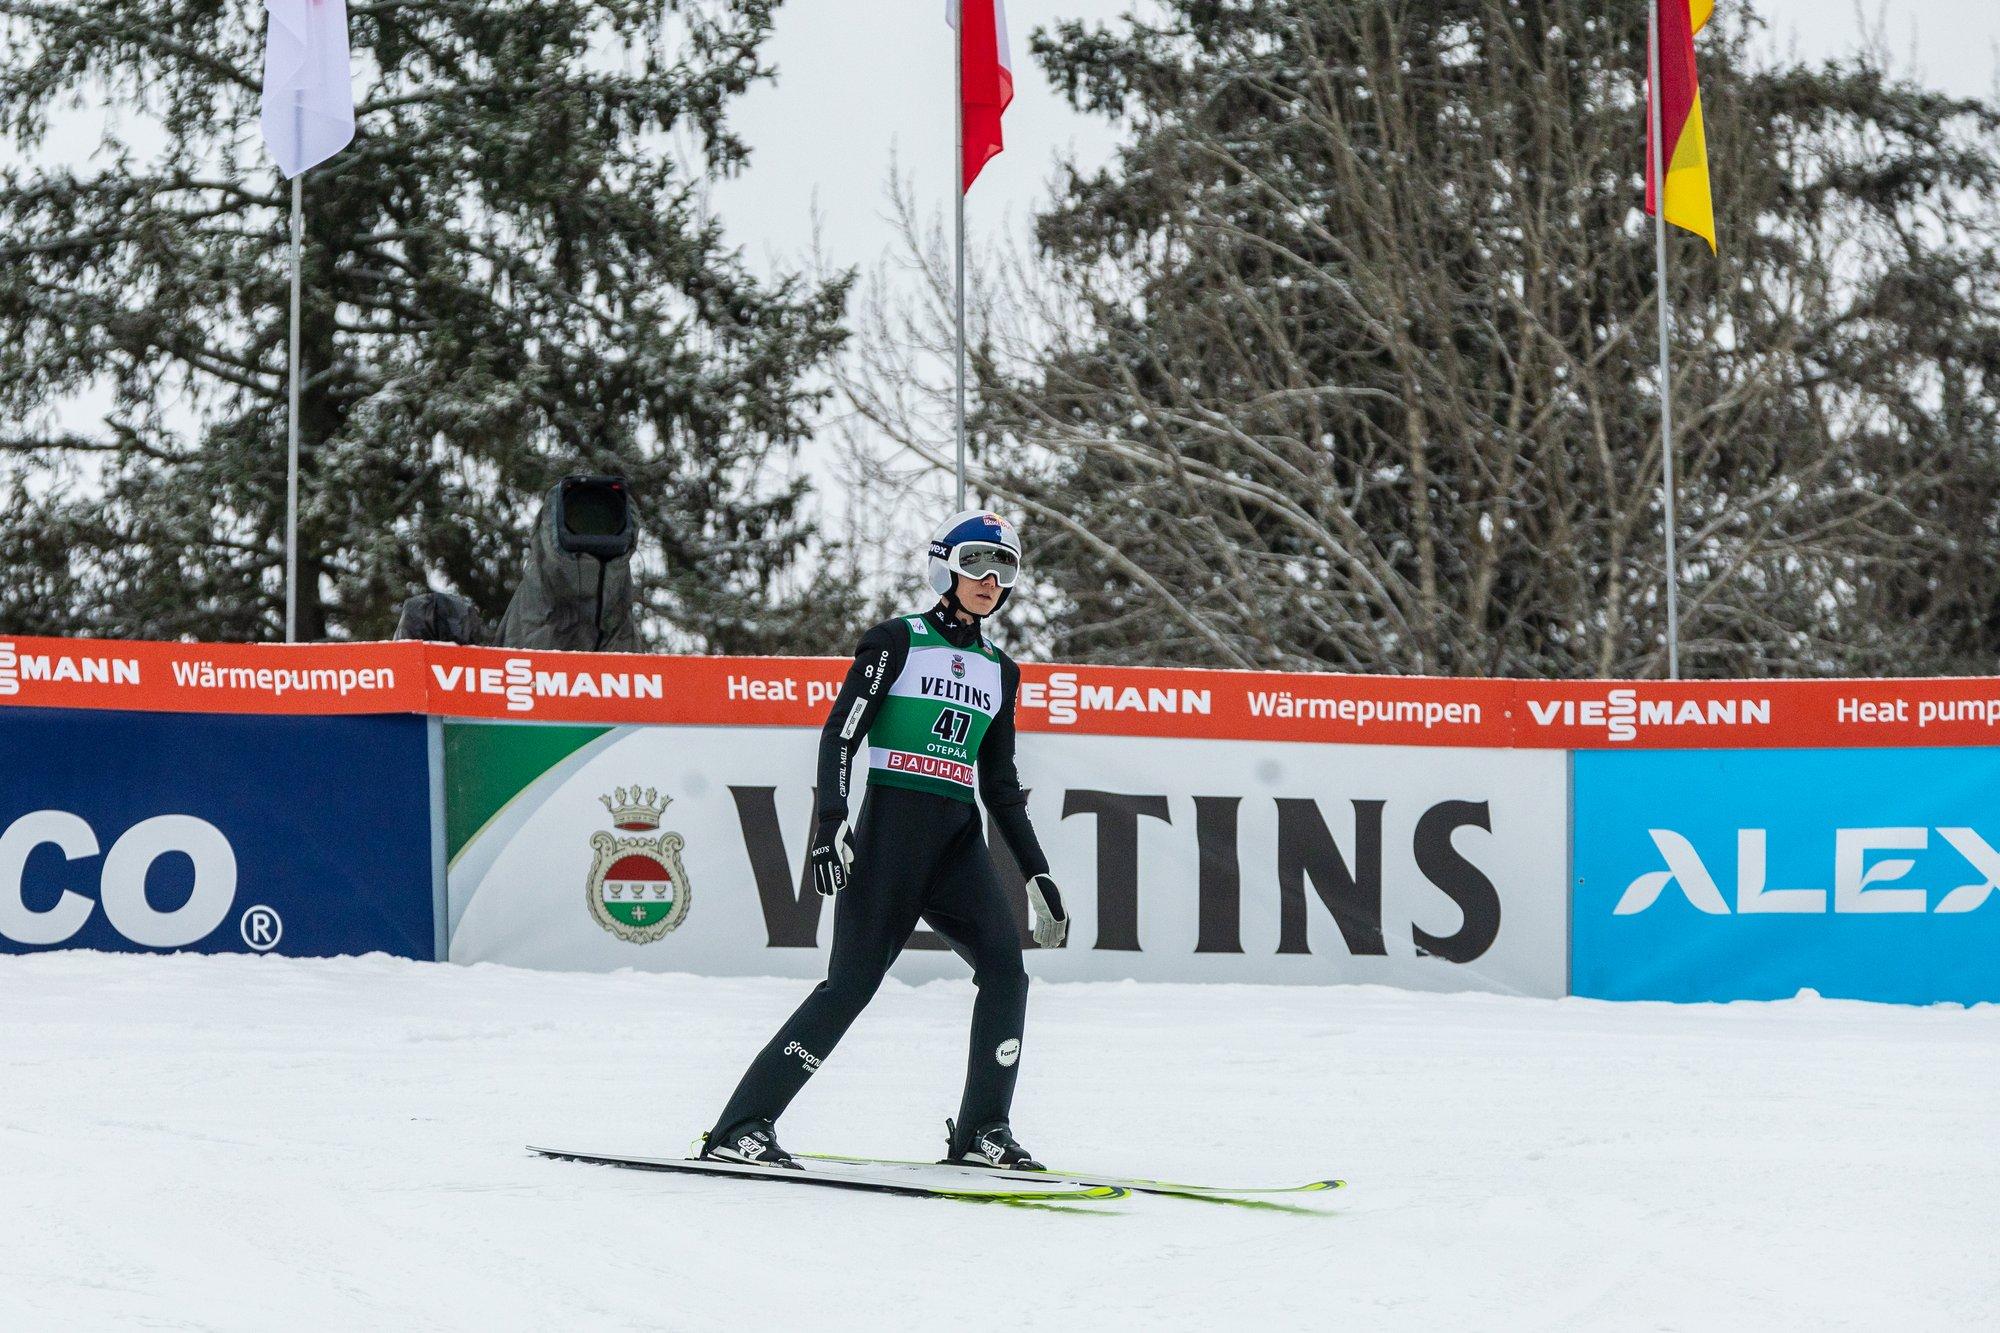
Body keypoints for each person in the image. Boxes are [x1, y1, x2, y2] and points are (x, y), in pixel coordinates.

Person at [700, 510, 1069, 1171]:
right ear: (946, 567)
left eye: (1004, 567)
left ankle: (984, 1130)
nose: (990, 578)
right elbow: (842, 734)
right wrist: (829, 823)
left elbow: (1002, 787)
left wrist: (1037, 872)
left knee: (1008, 974)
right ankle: (740, 1125)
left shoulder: (1000, 671)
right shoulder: (898, 640)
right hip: (890, 840)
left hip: (956, 844)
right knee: (849, 987)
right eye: (977, 562)